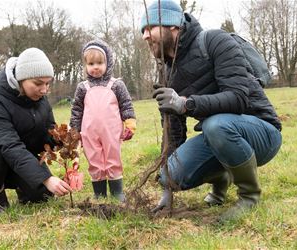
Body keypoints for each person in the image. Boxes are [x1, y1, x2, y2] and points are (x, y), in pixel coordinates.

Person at [140, 0, 282, 222]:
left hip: (262, 134)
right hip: (218, 136)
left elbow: (238, 97)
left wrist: (186, 104)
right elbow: (173, 133)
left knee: (215, 125)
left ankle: (249, 196)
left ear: (172, 26)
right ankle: (221, 179)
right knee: (172, 173)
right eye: (143, 31)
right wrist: (167, 188)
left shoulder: (215, 40)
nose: (145, 36)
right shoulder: (166, 73)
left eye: (150, 28)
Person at [0, 48, 72, 215]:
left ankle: (24, 188)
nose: (44, 90)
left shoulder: (41, 100)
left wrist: (62, 137)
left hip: (16, 159)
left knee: (42, 197)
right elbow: (10, 146)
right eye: (38, 83)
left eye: (47, 83)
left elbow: (45, 137)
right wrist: (45, 178)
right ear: (20, 79)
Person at [70, 39, 136, 202]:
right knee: (95, 160)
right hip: (89, 133)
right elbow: (77, 110)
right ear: (85, 65)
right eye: (91, 63)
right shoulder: (83, 88)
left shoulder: (116, 85)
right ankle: (99, 193)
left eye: (100, 62)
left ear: (108, 62)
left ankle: (116, 191)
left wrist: (129, 121)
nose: (95, 67)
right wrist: (74, 130)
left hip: (111, 131)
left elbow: (126, 104)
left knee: (113, 158)